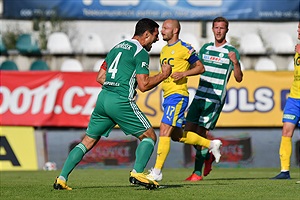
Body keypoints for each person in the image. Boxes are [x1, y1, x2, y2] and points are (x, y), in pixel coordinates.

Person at [53, 18, 173, 190]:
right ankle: (138, 173)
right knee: (149, 136)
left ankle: (62, 178)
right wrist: (164, 74)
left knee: (88, 141)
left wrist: (115, 85)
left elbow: (100, 77)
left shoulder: (116, 48)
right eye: (155, 36)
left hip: (103, 99)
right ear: (146, 34)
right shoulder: (140, 53)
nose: (157, 40)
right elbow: (144, 85)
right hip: (120, 100)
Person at [148, 19, 223, 182]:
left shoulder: (184, 48)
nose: (162, 31)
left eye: (165, 28)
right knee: (177, 136)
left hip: (178, 95)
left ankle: (157, 171)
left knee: (164, 128)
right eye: (162, 28)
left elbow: (200, 67)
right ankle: (211, 145)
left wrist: (183, 74)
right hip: (167, 96)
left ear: (175, 31)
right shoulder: (164, 50)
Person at [181, 16, 243, 181]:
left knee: (201, 133)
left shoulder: (231, 52)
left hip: (214, 100)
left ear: (226, 30)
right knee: (187, 132)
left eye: (222, 28)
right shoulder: (206, 48)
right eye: (216, 27)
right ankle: (207, 155)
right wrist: (189, 58)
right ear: (212, 29)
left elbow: (238, 78)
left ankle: (197, 173)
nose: (218, 31)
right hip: (199, 95)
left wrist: (236, 64)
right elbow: (197, 67)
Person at [272, 22, 300, 180]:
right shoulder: (297, 48)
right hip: (294, 98)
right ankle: (284, 171)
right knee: (286, 131)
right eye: (298, 28)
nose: (298, 31)